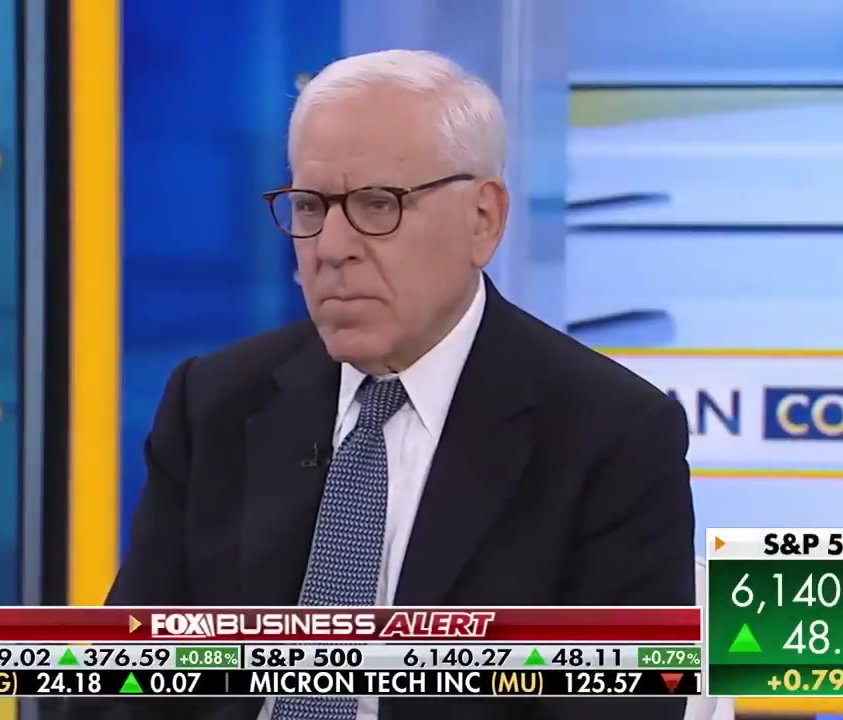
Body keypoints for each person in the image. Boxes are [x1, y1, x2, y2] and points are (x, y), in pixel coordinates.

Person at [92, 50, 694, 720]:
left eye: (378, 204)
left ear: (483, 219)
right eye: (310, 206)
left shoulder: (612, 436)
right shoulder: (215, 403)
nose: (331, 247)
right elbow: (123, 684)